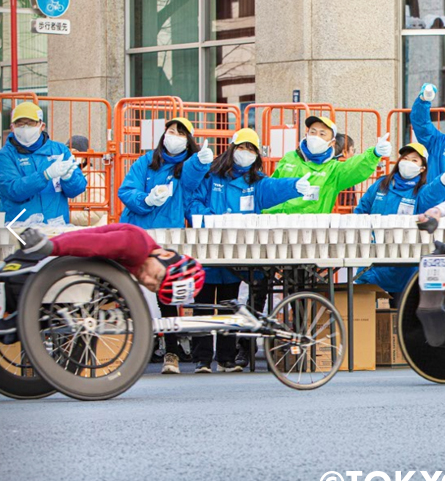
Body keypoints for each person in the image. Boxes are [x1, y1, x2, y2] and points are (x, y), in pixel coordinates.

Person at [185, 128, 313, 374]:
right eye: (242, 148)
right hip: (207, 248)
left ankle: (225, 358)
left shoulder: (256, 182)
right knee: (203, 304)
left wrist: (295, 186)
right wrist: (211, 218)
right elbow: (192, 201)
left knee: (229, 304)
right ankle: (201, 360)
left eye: (251, 150)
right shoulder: (210, 175)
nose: (246, 154)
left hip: (235, 252)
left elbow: (274, 188)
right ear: (232, 148)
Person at [118, 117, 212, 367]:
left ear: (189, 141)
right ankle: (141, 348)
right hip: (139, 233)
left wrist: (201, 162)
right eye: (172, 131)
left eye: (181, 133)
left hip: (168, 237)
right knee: (135, 293)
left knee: (164, 293)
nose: (175, 136)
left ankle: (171, 351)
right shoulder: (146, 161)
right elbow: (126, 190)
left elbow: (192, 180)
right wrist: (146, 199)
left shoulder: (187, 167)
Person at [11, 224, 204, 304]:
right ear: (165, 254)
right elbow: (92, 242)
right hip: (41, 266)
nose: (145, 279)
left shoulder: (136, 265)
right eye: (157, 276)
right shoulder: (137, 246)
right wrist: (51, 246)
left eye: (151, 286)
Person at [354, 143, 445, 299]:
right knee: (367, 317)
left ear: (422, 168)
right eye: (405, 158)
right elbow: (362, 210)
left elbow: (431, 197)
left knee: (398, 316)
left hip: (404, 265)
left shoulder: (421, 192)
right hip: (372, 263)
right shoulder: (381, 184)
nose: (408, 162)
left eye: (414, 160)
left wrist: (442, 185)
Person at [265, 116, 390, 214]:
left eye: (322, 134)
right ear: (306, 135)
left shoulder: (333, 170)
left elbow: (355, 167)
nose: (316, 137)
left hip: (308, 232)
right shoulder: (289, 158)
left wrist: (374, 153)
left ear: (332, 143)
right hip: (275, 225)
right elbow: (270, 187)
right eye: (312, 132)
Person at [0, 102, 88, 225]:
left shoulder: (60, 150)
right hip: (20, 228)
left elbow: (77, 190)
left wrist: (69, 178)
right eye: (20, 124)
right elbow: (13, 190)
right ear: (12, 127)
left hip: (56, 226)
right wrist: (45, 175)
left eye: (30, 123)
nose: (25, 128)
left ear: (42, 125)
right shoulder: (5, 155)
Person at [67, 135, 107, 227]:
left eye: (75, 152)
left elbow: (95, 214)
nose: (71, 156)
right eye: (68, 152)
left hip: (92, 231)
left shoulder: (94, 178)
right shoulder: (66, 177)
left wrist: (65, 215)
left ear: (84, 156)